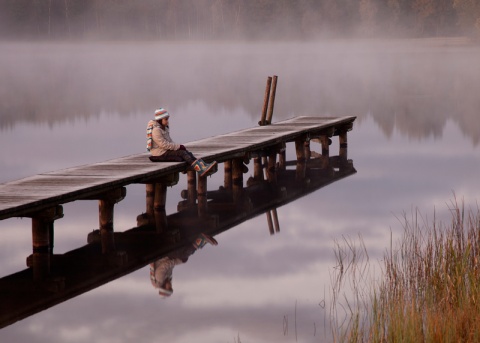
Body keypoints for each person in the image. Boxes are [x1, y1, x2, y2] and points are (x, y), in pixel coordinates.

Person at [147, 108, 217, 177]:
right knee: (181, 153)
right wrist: (178, 147)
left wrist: (178, 147)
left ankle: (202, 165)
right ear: (160, 119)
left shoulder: (164, 128)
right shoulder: (156, 130)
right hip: (160, 153)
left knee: (187, 152)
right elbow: (163, 144)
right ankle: (200, 169)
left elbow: (169, 141)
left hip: (165, 150)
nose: (167, 121)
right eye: (166, 119)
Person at [150, 233, 218, 297]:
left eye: (169, 288)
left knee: (183, 255)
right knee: (184, 256)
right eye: (171, 288)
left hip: (163, 255)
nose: (170, 286)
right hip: (167, 256)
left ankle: (202, 239)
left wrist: (179, 261)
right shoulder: (167, 278)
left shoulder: (159, 279)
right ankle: (202, 240)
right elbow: (171, 265)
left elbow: (166, 264)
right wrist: (180, 261)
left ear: (164, 287)